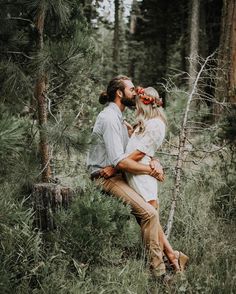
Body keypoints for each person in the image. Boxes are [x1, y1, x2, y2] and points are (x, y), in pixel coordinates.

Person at [87, 75, 167, 278]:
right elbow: (120, 162)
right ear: (120, 94)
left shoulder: (120, 119)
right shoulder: (109, 118)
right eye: (132, 89)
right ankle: (159, 273)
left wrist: (154, 161)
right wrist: (151, 170)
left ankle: (173, 257)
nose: (136, 92)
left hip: (117, 175)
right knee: (149, 214)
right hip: (104, 177)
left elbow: (135, 153)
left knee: (150, 211)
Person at [124, 86, 189, 272]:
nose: (135, 107)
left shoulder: (156, 124)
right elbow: (140, 148)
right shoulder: (147, 122)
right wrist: (131, 134)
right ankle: (173, 256)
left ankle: (172, 261)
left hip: (142, 177)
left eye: (137, 104)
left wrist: (117, 163)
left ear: (144, 104)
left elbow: (137, 155)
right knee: (152, 221)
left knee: (151, 221)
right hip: (136, 174)